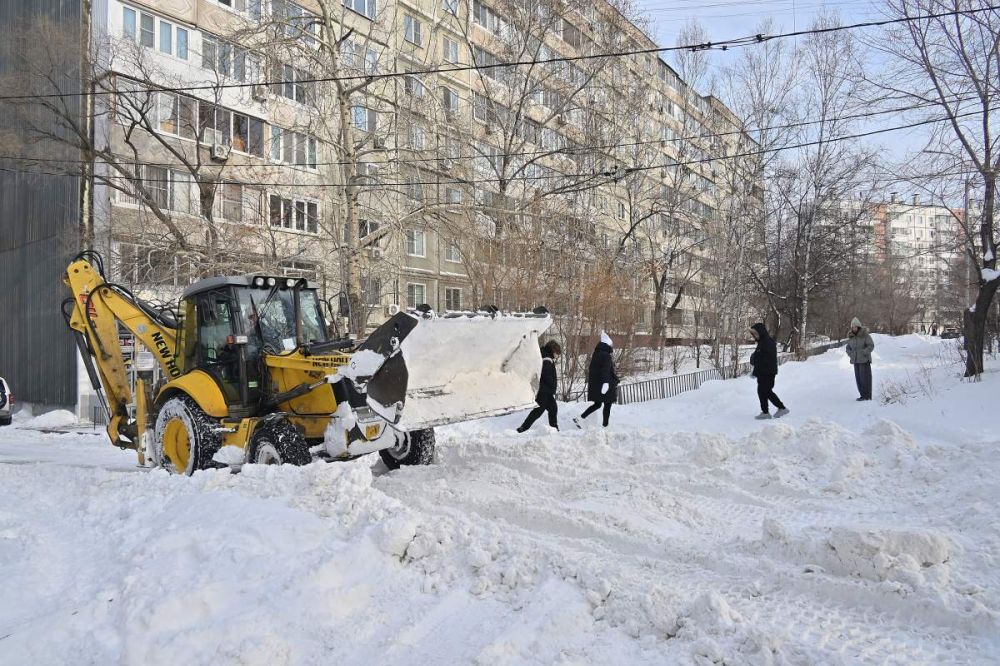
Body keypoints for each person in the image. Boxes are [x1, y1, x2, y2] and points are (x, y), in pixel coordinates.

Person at [517, 340, 562, 433]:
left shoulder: (545, 356)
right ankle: (523, 428)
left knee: (553, 408)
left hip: (547, 390)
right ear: (552, 350)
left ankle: (554, 428)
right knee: (538, 411)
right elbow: (546, 374)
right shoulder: (546, 358)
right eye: (557, 353)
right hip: (544, 389)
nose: (557, 356)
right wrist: (551, 383)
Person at [576, 332, 619, 428]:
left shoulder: (596, 354)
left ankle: (580, 418)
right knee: (607, 404)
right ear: (607, 345)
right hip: (605, 384)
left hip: (596, 385)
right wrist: (606, 383)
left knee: (598, 404)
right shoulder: (606, 355)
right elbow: (605, 370)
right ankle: (605, 425)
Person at [749, 323, 788, 419]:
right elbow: (756, 357)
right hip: (763, 372)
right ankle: (765, 412)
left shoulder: (767, 342)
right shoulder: (762, 342)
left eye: (755, 334)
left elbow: (763, 359)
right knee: (762, 391)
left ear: (761, 332)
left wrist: (755, 369)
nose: (754, 336)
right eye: (753, 334)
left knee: (766, 391)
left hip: (768, 373)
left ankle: (781, 408)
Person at [846, 317, 875, 401]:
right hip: (855, 361)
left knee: (865, 379)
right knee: (858, 379)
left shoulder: (865, 335)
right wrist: (851, 354)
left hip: (864, 361)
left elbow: (871, 345)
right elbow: (848, 348)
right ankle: (862, 395)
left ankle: (867, 396)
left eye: (855, 327)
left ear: (858, 327)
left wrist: (864, 352)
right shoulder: (851, 337)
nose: (854, 328)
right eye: (853, 327)